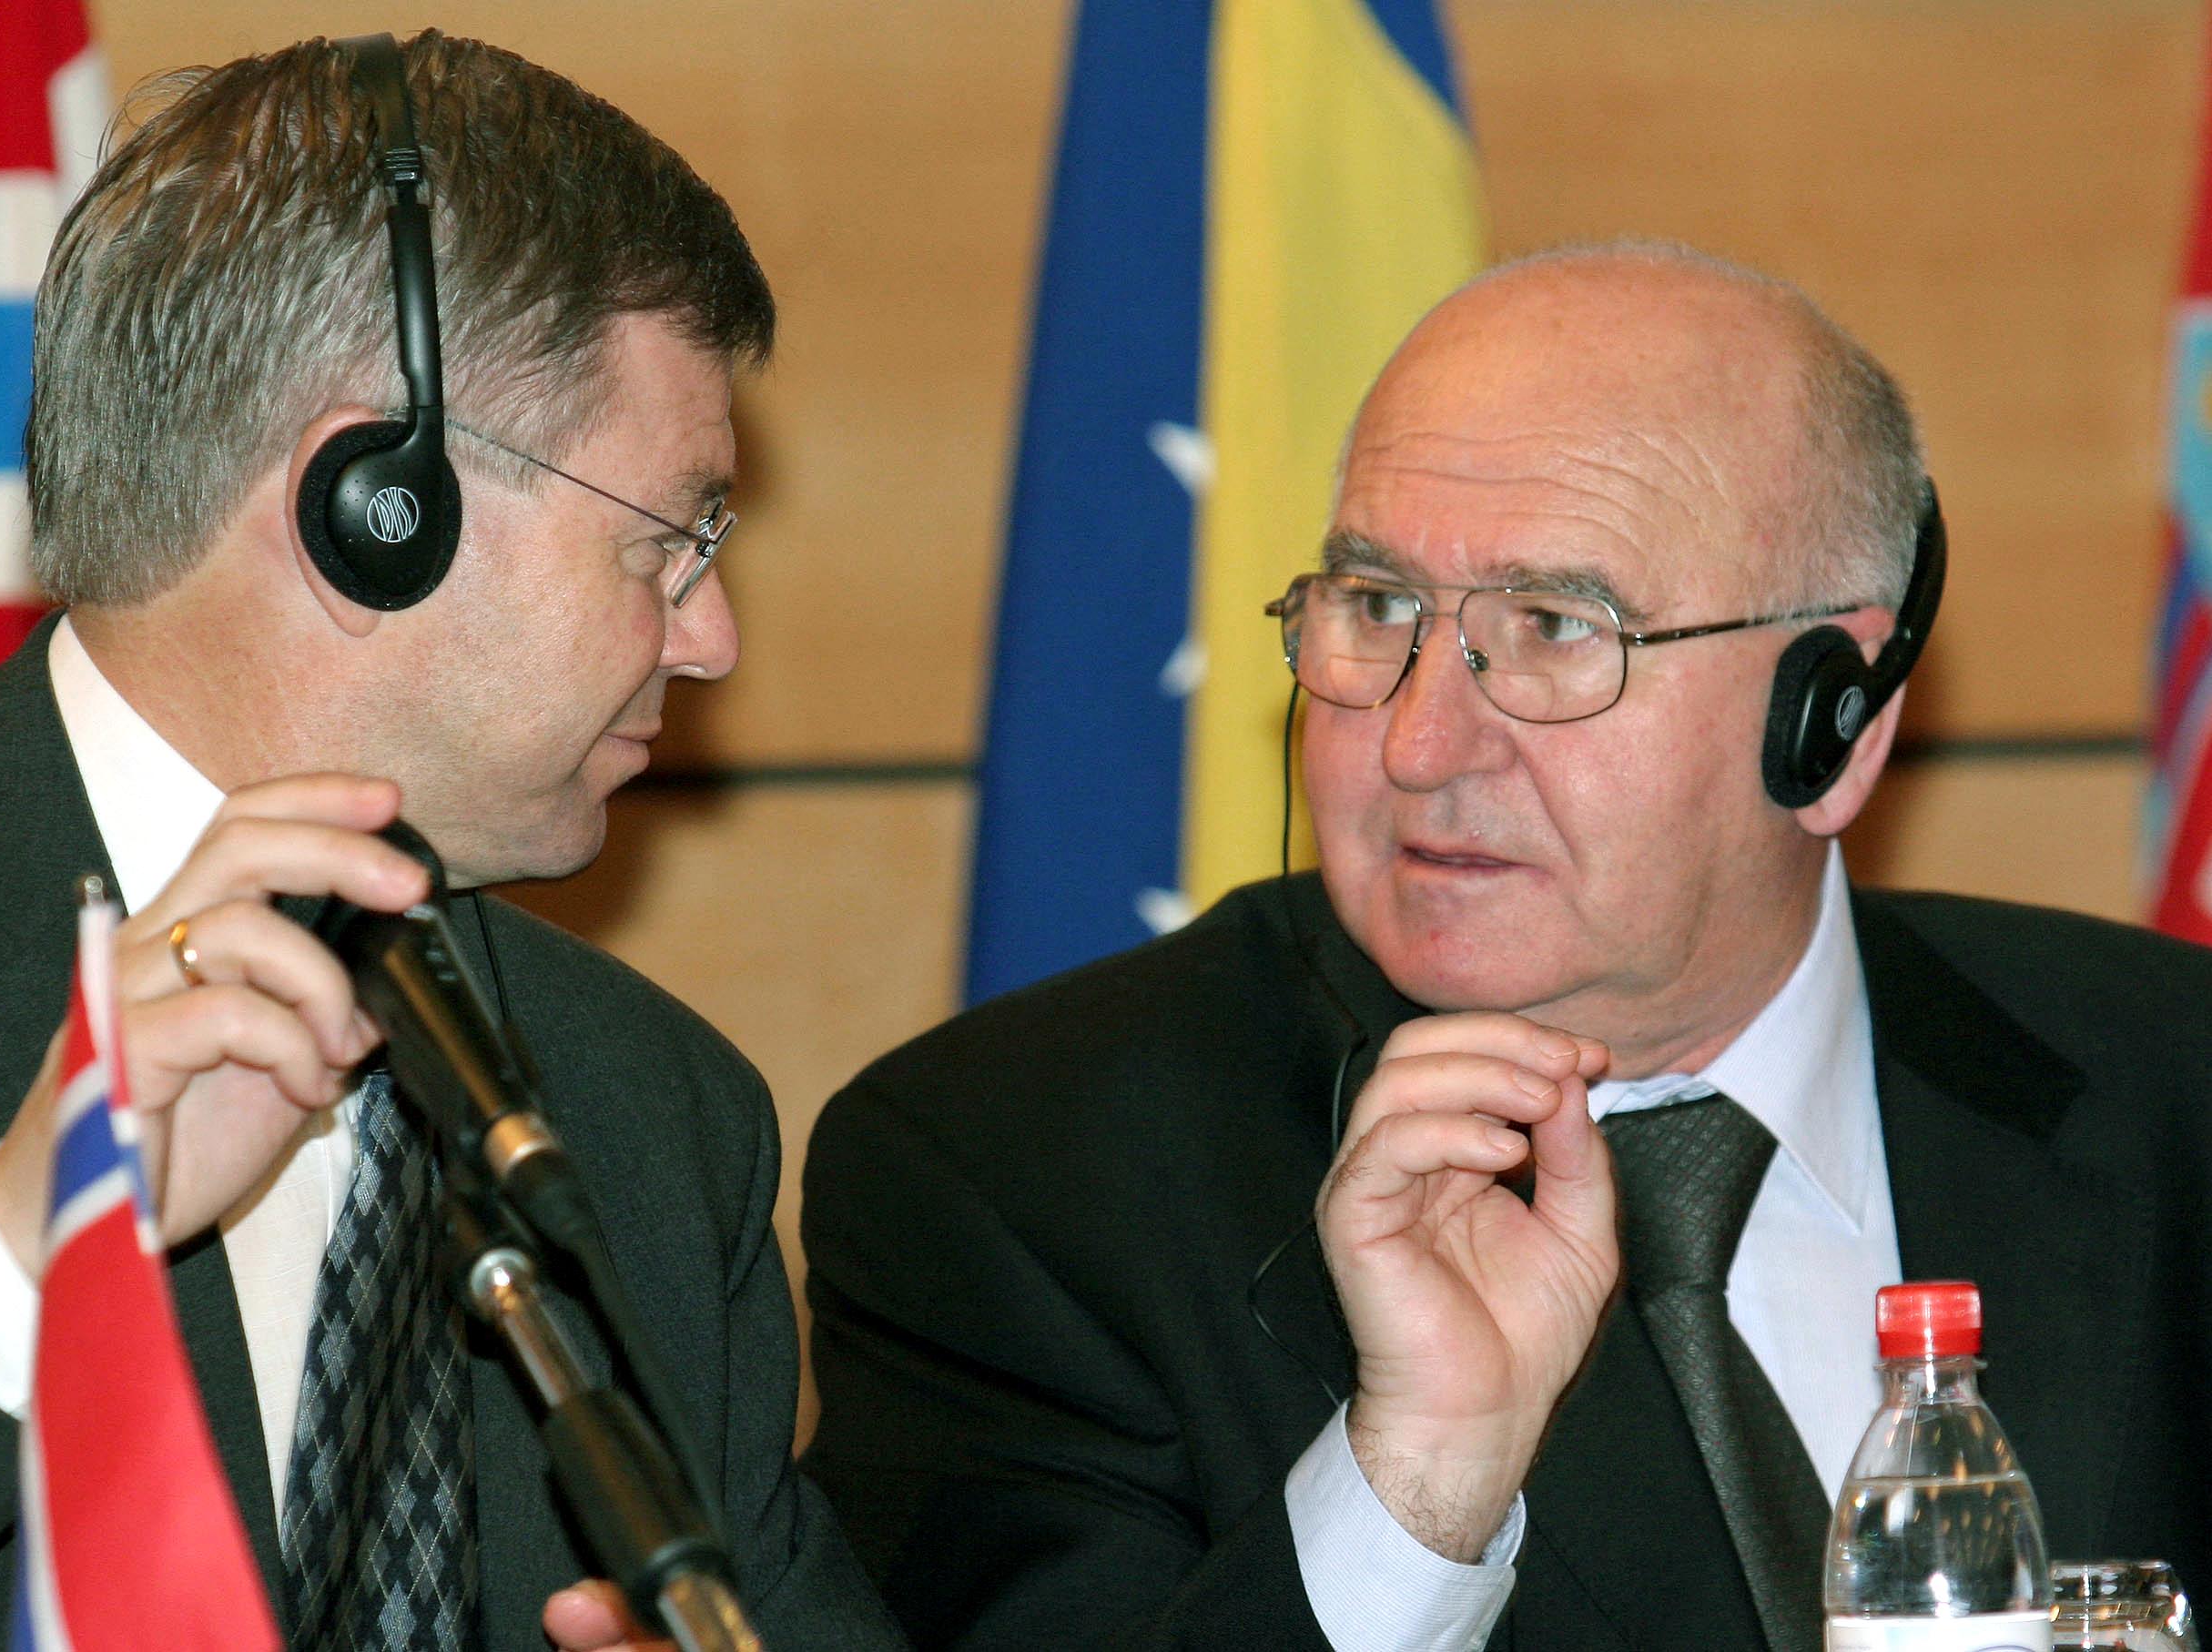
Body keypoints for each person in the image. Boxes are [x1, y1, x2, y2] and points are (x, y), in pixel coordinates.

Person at [800, 242, 2212, 1649]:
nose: (1416, 746)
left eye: (1551, 628)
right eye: (1375, 610)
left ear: (1830, 724)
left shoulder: (2175, 1084)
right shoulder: (1010, 1186)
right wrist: (1414, 1492)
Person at [0, 31, 898, 1651]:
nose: (713, 642)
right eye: (670, 540)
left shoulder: (655, 1119)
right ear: (376, 504)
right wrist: (12, 1253)